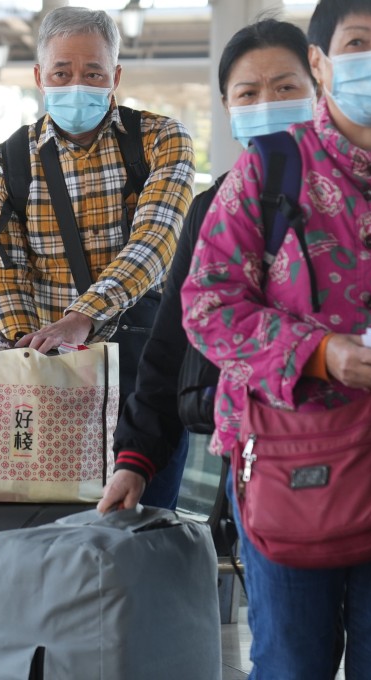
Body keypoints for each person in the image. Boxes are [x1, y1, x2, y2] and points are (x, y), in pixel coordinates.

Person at [180, 1, 371, 676]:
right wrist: (319, 351)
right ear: (320, 63)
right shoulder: (269, 170)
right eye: (357, 42)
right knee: (291, 664)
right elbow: (206, 304)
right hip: (286, 465)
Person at [0, 5, 196, 508]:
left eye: (93, 72)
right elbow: (4, 276)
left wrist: (82, 318)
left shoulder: (161, 141)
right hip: (53, 379)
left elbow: (155, 246)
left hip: (147, 376)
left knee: (143, 527)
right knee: (52, 533)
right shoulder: (3, 165)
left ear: (115, 75)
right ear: (39, 77)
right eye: (62, 72)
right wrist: (25, 360)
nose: (78, 83)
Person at [99, 19, 317, 511]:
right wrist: (136, 457)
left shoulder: (362, 195)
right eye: (248, 93)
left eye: (286, 88)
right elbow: (173, 338)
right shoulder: (214, 207)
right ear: (226, 107)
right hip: (254, 458)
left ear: (319, 90)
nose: (267, 105)